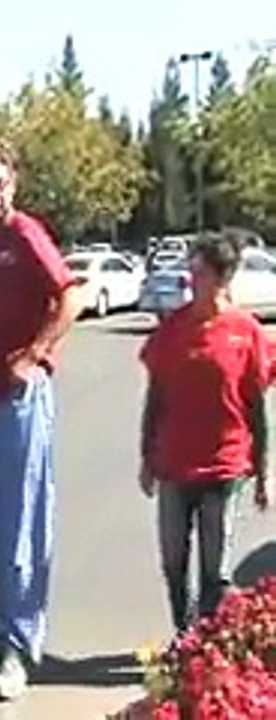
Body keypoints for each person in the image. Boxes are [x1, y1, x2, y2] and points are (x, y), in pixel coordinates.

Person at [0, 140, 81, 701]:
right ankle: (2, 624)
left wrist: (35, 354)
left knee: (22, 521)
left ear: (14, 183)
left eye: (1, 182)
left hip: (19, 402)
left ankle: (20, 643)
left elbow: (69, 299)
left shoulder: (26, 235)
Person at [139, 233, 270, 634]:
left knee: (216, 567)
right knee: (173, 560)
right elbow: (155, 396)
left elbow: (257, 407)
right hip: (174, 464)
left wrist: (264, 473)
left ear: (223, 278)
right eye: (191, 270)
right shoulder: (173, 329)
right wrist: (146, 458)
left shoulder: (245, 332)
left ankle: (208, 643)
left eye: (200, 271)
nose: (191, 279)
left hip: (225, 464)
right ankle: (184, 632)